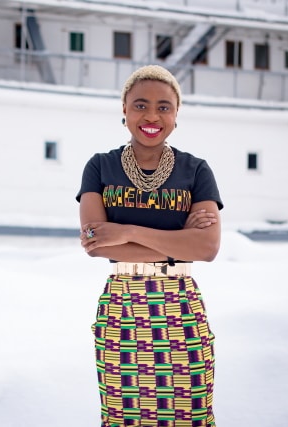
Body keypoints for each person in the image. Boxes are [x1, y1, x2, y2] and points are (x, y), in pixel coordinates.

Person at [76, 64, 223, 427]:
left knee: (190, 413)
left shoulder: (196, 170)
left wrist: (125, 231)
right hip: (122, 304)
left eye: (164, 106)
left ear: (176, 115)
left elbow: (206, 248)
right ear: (124, 110)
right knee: (123, 415)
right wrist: (179, 241)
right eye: (140, 105)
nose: (152, 116)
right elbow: (96, 243)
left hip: (181, 305)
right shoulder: (100, 166)